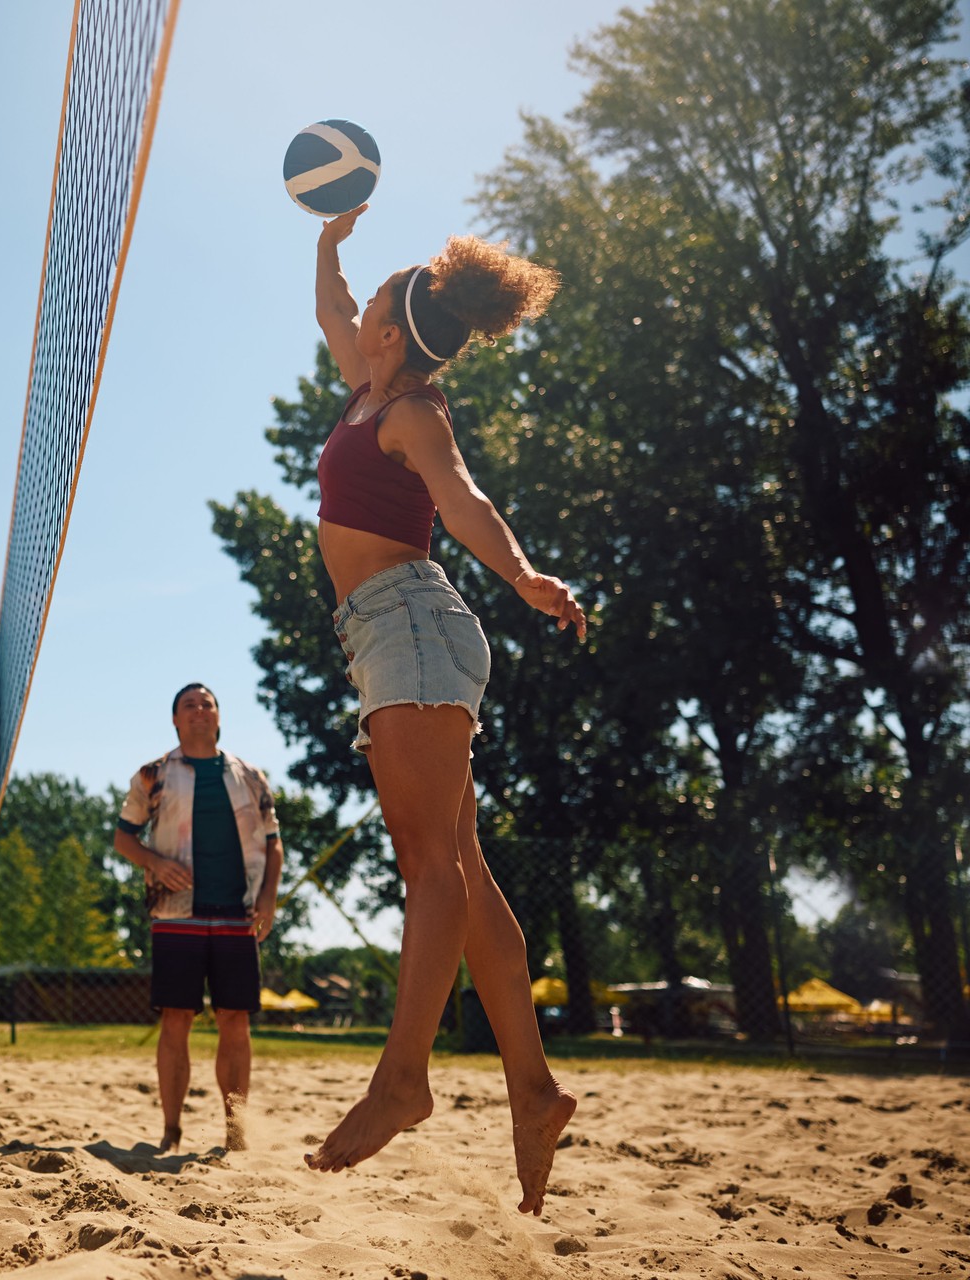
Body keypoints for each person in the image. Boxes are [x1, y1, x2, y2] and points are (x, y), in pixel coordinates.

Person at [300, 207, 586, 1215]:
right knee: (466, 877)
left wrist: (520, 572)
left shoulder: (410, 413)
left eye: (373, 298)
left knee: (430, 867)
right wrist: (329, 246)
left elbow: (462, 501)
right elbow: (334, 307)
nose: (360, 306)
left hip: (413, 629)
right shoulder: (366, 385)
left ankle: (403, 1079)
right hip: (393, 635)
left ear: (391, 334)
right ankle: (536, 1091)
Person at [114, 683, 283, 1154]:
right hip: (175, 916)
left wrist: (268, 898)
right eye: (189, 705)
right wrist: (154, 862)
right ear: (175, 719)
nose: (199, 711)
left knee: (235, 1020)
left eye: (207, 703)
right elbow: (124, 838)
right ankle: (171, 1131)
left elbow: (273, 844)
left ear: (218, 716)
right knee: (177, 1019)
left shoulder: (249, 775)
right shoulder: (154, 774)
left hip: (237, 914)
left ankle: (235, 1134)